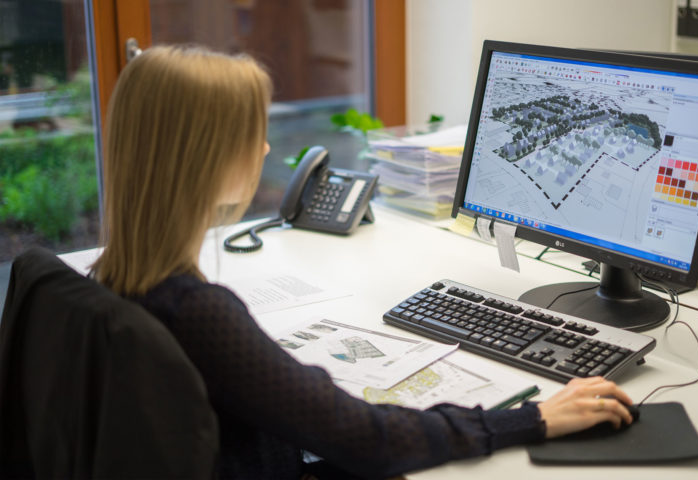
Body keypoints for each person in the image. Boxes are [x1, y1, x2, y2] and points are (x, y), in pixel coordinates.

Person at [93, 45, 634, 479]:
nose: (262, 151)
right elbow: (368, 440)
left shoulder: (113, 277)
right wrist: (532, 419)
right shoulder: (198, 311)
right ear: (204, 157)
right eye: (252, 134)